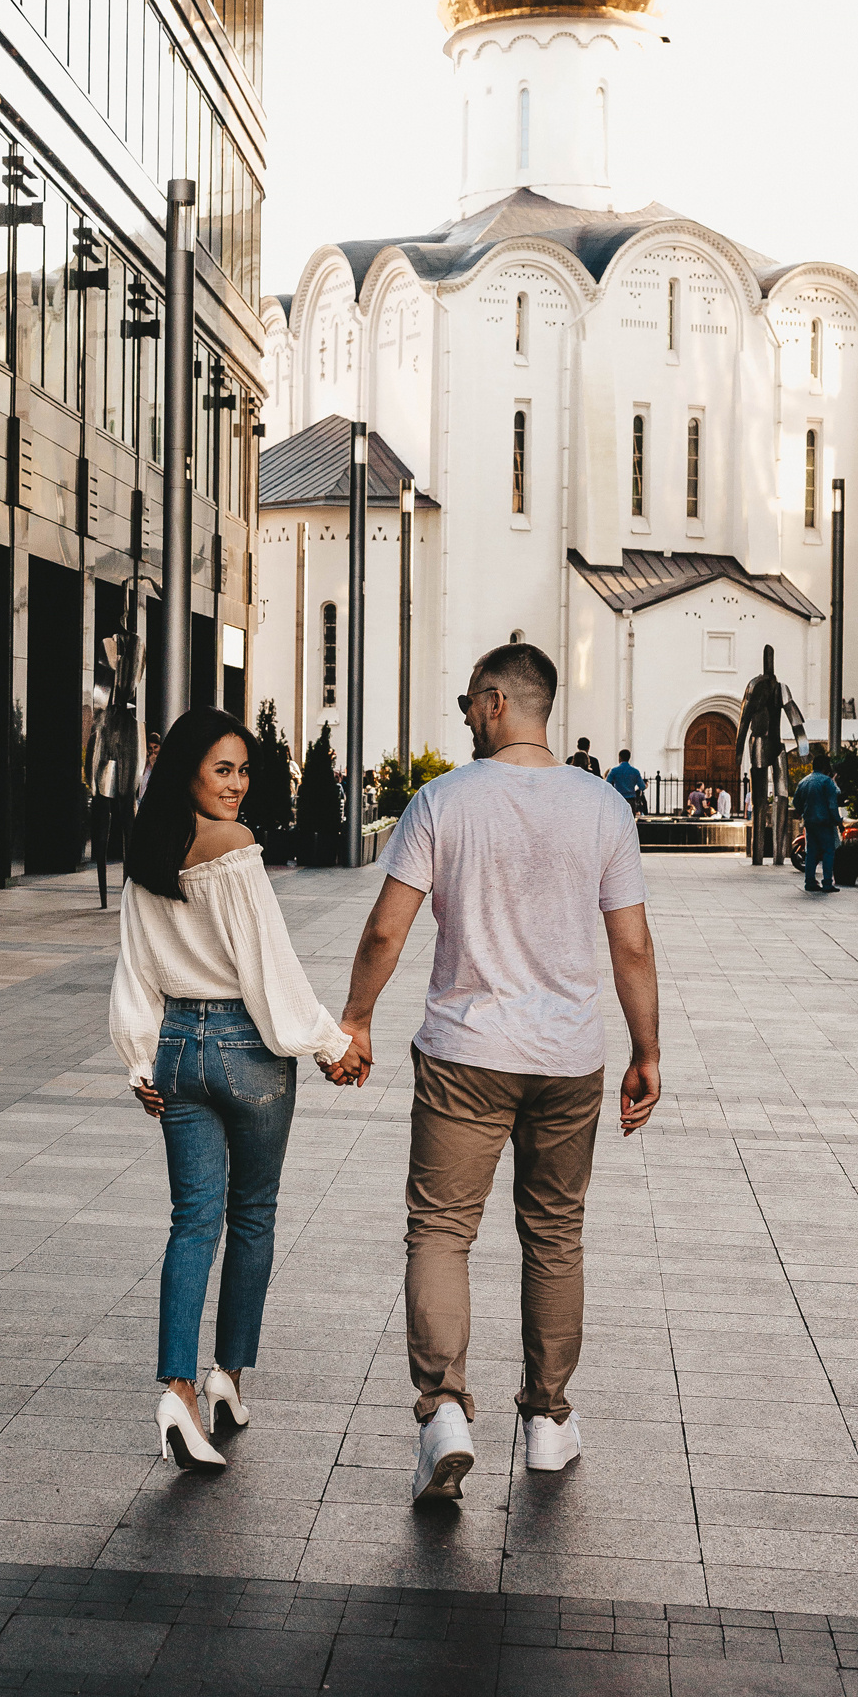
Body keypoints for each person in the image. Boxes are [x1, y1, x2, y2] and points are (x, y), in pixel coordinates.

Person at [329, 642, 661, 1502]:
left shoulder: (441, 801)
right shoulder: (602, 808)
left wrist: (356, 1018)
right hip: (566, 1060)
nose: (463, 718)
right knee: (553, 1235)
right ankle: (547, 1421)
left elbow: (384, 931)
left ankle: (442, 1410)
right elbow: (629, 943)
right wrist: (645, 1052)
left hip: (463, 1055)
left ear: (492, 704)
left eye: (467, 704)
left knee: (440, 1231)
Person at [110, 708, 358, 1472]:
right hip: (246, 1049)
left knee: (192, 1224)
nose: (237, 784)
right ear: (187, 769)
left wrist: (140, 1061)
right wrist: (329, 1041)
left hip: (178, 1047)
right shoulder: (235, 848)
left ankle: (179, 1391)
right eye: (222, 768)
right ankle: (228, 1376)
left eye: (244, 770)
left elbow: (135, 967)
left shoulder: (148, 850)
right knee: (251, 1215)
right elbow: (268, 967)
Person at [794, 747, 843, 894]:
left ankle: (809, 882)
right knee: (829, 851)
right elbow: (832, 805)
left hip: (810, 822)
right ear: (825, 767)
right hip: (824, 822)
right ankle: (827, 883)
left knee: (811, 853)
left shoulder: (804, 782)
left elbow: (796, 802)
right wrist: (838, 822)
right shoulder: (827, 782)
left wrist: (804, 812)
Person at [136, 734, 161, 807]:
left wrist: (153, 764)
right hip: (141, 800)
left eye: (155, 747)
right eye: (150, 748)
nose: (153, 751)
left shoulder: (161, 762)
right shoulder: (146, 763)